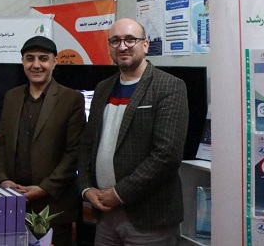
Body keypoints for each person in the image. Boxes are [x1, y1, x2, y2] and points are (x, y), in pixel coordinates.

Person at [78, 18, 189, 246]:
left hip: (149, 219)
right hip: (105, 216)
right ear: (109, 47)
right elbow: (88, 145)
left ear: (145, 45)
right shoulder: (103, 88)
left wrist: (119, 194)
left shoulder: (169, 86)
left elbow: (167, 155)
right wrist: (87, 188)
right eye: (115, 41)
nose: (122, 46)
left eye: (130, 39)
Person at [0, 35, 86, 246]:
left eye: (43, 58)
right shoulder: (11, 96)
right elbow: (1, 141)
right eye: (30, 58)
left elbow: (74, 152)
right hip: (13, 203)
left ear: (54, 61)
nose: (36, 65)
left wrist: (44, 188)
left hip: (54, 206)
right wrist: (3, 179)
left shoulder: (71, 99)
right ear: (23, 62)